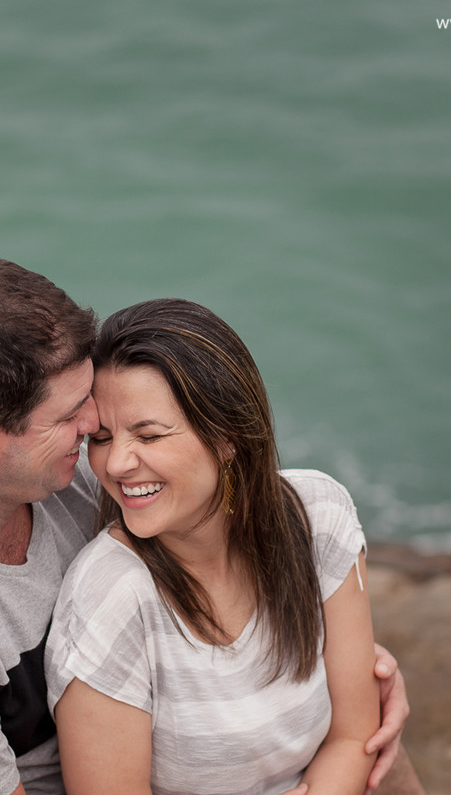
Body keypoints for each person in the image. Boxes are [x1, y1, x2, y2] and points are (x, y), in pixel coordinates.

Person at [0, 256, 419, 795]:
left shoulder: (57, 472)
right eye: (72, 414)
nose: (97, 429)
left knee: (384, 766)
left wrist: (329, 664)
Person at [45, 298, 402, 795]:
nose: (117, 463)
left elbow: (354, 735)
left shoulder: (319, 516)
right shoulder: (111, 597)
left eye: (148, 435)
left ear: (227, 435)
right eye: (101, 438)